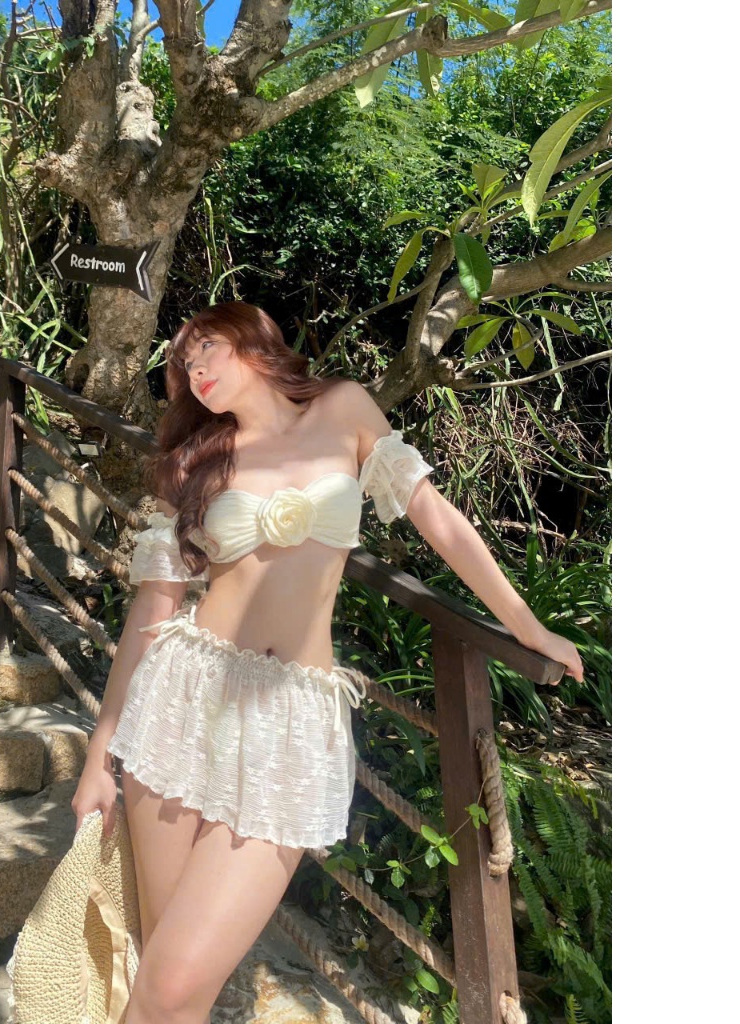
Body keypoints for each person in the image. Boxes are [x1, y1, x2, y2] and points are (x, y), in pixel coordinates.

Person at [71, 301, 583, 1024]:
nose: (196, 369)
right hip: (183, 704)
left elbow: (437, 518)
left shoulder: (344, 408)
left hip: (292, 723)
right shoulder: (196, 460)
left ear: (253, 336)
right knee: (167, 981)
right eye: (184, 364)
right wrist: (101, 753)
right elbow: (154, 609)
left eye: (207, 347)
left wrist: (527, 626)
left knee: (175, 982)